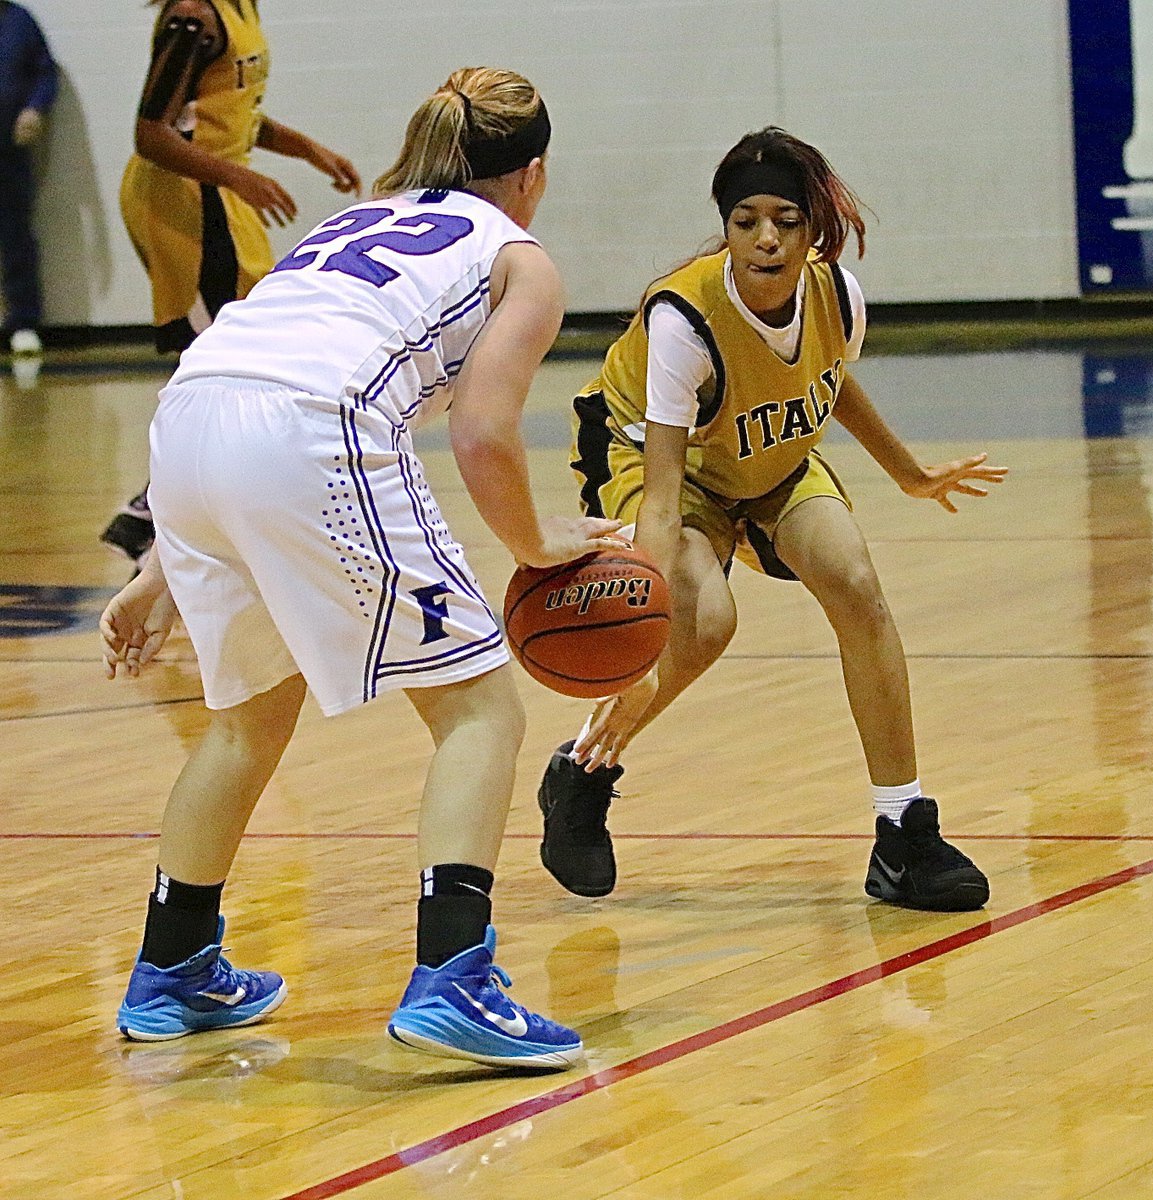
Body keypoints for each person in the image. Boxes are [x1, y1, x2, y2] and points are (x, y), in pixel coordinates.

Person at [99, 67, 622, 1070]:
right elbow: (481, 433)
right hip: (309, 435)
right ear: (533, 174)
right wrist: (532, 545)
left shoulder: (351, 225)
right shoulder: (519, 257)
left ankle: (173, 967)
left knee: (247, 717)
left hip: (186, 427)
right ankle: (454, 976)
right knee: (478, 709)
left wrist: (162, 562)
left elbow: (247, 380)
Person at [538, 127, 1008, 912]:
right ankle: (582, 775)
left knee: (857, 586)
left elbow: (831, 378)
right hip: (665, 464)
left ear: (811, 228)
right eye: (745, 219)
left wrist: (909, 472)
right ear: (725, 226)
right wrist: (642, 634)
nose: (765, 238)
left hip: (766, 460)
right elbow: (658, 497)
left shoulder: (835, 294)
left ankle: (902, 834)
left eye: (785, 221)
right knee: (704, 622)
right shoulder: (682, 320)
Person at [101, 0, 362, 568]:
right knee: (219, 364)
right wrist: (239, 176)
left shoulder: (238, 7)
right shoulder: (192, 16)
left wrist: (309, 150)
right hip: (182, 200)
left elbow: (230, 114)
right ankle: (162, 520)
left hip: (217, 194)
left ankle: (153, 512)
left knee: (249, 354)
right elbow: (152, 133)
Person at [0, 0, 57, 356]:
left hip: (9, 149)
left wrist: (35, 108)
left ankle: (23, 322)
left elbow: (45, 72)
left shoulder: (20, 21)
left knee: (16, 234)